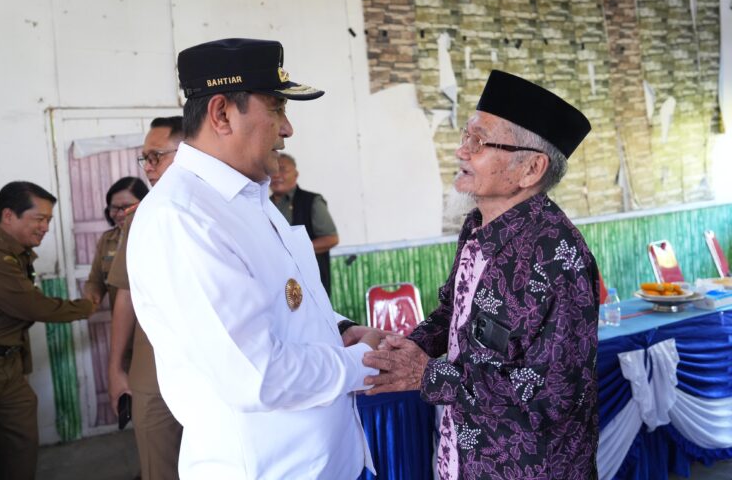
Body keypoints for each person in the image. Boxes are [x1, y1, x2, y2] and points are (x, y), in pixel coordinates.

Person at [127, 38, 385, 479]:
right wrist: (368, 362)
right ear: (222, 113)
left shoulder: (247, 197)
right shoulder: (185, 218)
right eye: (277, 109)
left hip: (322, 462)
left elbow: (287, 303)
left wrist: (342, 330)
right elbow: (257, 374)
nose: (288, 129)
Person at [363, 70, 600, 479]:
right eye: (465, 137)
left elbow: (552, 391)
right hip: (462, 456)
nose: (461, 152)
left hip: (526, 467)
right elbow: (453, 313)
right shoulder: (477, 227)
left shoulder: (558, 256)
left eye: (479, 142)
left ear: (530, 169)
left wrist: (428, 374)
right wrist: (406, 348)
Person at [0, 181, 97, 480]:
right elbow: (34, 307)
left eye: (48, 220)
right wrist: (87, 306)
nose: (46, 227)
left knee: (17, 447)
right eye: (39, 218)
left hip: (7, 366)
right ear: (8, 216)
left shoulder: (17, 254)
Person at [106, 117, 184, 480]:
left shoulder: (229, 210)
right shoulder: (142, 219)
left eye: (156, 156)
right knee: (160, 464)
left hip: (213, 365)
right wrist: (116, 368)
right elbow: (126, 295)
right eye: (145, 159)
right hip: (152, 366)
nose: (148, 167)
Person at [270, 153, 339, 296]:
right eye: (273, 169)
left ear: (296, 174)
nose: (276, 174)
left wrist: (295, 250)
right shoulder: (262, 205)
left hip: (309, 282)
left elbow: (331, 238)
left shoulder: (312, 201)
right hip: (277, 282)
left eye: (282, 169)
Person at [84, 176, 149, 308]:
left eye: (127, 207)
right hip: (120, 320)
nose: (120, 214)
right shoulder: (107, 240)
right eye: (114, 208)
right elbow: (95, 281)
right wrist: (93, 293)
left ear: (146, 203)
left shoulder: (156, 237)